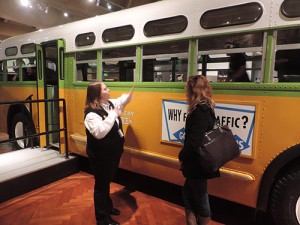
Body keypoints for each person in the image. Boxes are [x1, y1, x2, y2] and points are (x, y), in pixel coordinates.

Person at [84, 82, 132, 225]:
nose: (109, 89)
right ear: (98, 94)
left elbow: (122, 100)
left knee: (106, 182)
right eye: (105, 88)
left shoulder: (109, 103)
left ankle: (107, 207)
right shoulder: (91, 114)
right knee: (101, 186)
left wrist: (129, 94)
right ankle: (102, 219)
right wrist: (113, 114)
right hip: (101, 157)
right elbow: (100, 132)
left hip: (112, 154)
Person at [178, 75, 220, 225]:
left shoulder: (199, 111)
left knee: (201, 197)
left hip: (197, 162)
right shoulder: (207, 108)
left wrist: (181, 156)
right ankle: (191, 221)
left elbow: (194, 141)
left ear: (192, 91)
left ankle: (201, 221)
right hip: (199, 161)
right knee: (188, 193)